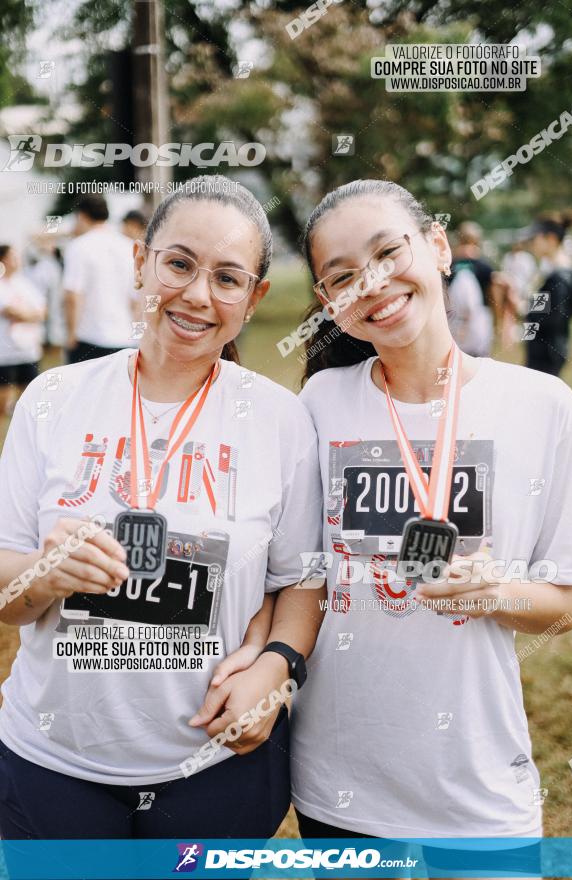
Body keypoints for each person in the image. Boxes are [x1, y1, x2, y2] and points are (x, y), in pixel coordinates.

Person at [0, 175, 325, 841]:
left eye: (228, 279)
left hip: (215, 764)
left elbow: (301, 580)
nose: (198, 295)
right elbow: (8, 599)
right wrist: (48, 573)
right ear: (140, 261)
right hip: (54, 763)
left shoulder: (278, 420)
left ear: (255, 297)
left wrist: (275, 666)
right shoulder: (51, 398)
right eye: (178, 264)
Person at [289, 180, 572, 874]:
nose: (373, 285)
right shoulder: (320, 401)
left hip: (475, 792)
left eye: (387, 252)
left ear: (439, 246)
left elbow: (562, 609)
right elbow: (299, 577)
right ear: (330, 302)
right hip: (337, 783)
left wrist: (494, 593)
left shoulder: (540, 405)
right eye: (342, 278)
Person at [63, 195, 137, 363]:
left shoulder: (79, 246)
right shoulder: (127, 245)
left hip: (89, 337)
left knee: (84, 389)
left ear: (81, 216)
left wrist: (71, 334)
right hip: (124, 338)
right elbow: (136, 298)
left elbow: (72, 296)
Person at [524, 214, 572, 377]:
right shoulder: (556, 272)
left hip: (546, 353)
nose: (532, 244)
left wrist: (525, 310)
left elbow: (549, 318)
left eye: (535, 239)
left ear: (550, 239)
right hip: (549, 349)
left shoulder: (559, 276)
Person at [450, 221, 518, 349]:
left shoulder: (450, 262)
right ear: (476, 240)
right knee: (480, 359)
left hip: (454, 319)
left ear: (459, 239)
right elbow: (495, 290)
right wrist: (499, 319)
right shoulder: (483, 264)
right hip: (479, 319)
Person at [0, 245, 46, 417]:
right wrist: (31, 314)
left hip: (28, 350)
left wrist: (27, 315)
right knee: (3, 403)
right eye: (12, 256)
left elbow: (43, 311)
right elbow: (9, 310)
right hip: (4, 353)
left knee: (29, 397)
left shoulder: (25, 283)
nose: (17, 260)